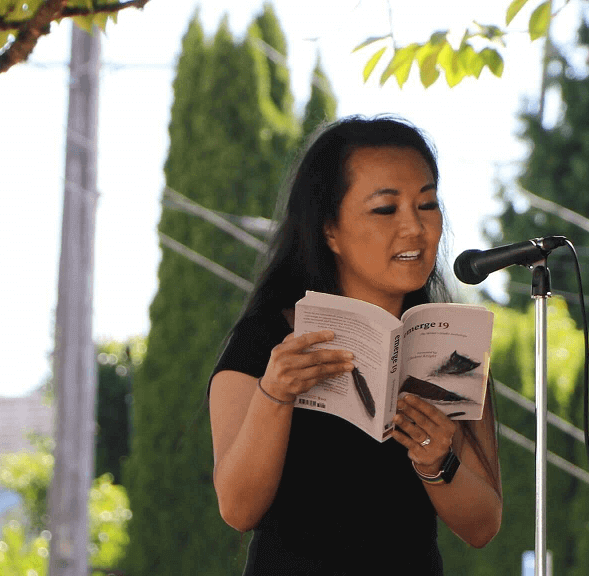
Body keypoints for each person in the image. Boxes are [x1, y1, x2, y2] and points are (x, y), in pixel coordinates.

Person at [208, 115, 503, 575]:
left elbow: (483, 526)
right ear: (330, 230)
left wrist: (437, 463)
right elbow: (237, 509)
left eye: (427, 204)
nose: (414, 227)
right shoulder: (266, 340)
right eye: (386, 209)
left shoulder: (450, 344)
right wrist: (274, 395)